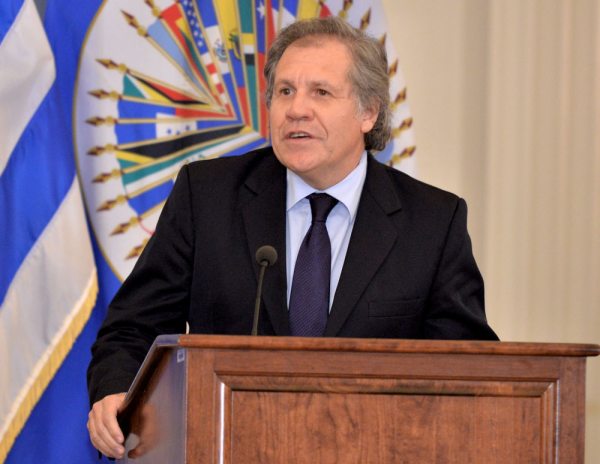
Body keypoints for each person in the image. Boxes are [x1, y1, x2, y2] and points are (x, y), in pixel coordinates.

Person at [87, 16, 498, 458]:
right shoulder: (207, 196)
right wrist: (116, 392)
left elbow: (468, 371)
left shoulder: (432, 222)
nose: (296, 109)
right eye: (285, 91)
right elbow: (134, 328)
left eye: (320, 92)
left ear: (369, 112)